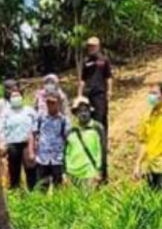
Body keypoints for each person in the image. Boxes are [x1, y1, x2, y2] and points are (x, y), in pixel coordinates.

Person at [78, 37, 113, 180]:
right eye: (89, 46)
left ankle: (102, 144)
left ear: (98, 46)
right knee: (87, 123)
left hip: (100, 94)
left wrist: (110, 91)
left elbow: (109, 78)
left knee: (99, 123)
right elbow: (82, 80)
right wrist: (79, 95)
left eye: (93, 46)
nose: (90, 48)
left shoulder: (103, 60)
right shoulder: (86, 62)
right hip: (88, 95)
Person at [0, 88, 38, 190]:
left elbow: (35, 127)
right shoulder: (6, 113)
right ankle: (16, 191)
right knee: (14, 171)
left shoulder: (29, 111)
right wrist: (3, 145)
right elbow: (1, 130)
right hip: (12, 145)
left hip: (27, 144)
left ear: (22, 97)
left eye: (17, 95)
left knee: (31, 169)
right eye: (13, 96)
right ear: (9, 99)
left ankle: (33, 191)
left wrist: (35, 142)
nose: (15, 98)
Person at [34, 92, 71, 192]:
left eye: (53, 102)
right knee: (41, 186)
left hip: (57, 158)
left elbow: (68, 137)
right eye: (48, 102)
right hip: (42, 157)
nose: (50, 105)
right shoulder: (41, 117)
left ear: (58, 103)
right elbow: (34, 133)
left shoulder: (64, 120)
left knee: (58, 187)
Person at [64, 97, 105, 188]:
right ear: (75, 113)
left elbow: (101, 151)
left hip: (90, 172)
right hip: (72, 173)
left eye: (86, 110)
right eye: (80, 111)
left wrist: (100, 171)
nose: (83, 114)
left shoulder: (97, 128)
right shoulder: (70, 131)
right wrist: (64, 173)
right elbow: (65, 153)